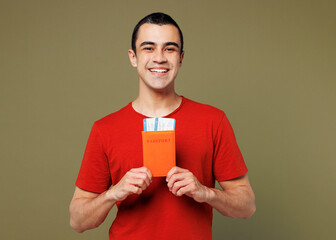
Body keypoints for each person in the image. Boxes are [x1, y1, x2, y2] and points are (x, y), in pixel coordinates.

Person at [69, 12, 256, 240]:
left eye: (169, 48)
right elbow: (78, 221)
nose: (159, 58)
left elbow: (247, 206)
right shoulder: (104, 129)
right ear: (133, 57)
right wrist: (114, 192)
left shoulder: (213, 120)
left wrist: (205, 192)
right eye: (148, 48)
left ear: (181, 57)